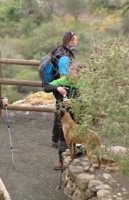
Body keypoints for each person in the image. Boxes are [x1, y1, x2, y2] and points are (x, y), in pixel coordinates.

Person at [43, 31, 78, 170]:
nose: (76, 41)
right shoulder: (64, 57)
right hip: (64, 92)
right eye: (75, 39)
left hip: (61, 91)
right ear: (69, 40)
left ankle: (56, 140)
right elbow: (65, 77)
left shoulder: (60, 51)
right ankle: (61, 156)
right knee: (64, 122)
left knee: (60, 118)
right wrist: (62, 88)